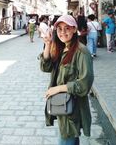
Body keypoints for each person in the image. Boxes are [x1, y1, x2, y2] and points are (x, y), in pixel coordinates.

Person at [39, 14, 94, 145]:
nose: (63, 32)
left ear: (75, 29)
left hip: (72, 108)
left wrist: (57, 89)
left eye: (67, 28)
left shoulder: (81, 51)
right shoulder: (61, 47)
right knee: (71, 139)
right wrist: (47, 44)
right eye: (59, 29)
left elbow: (85, 84)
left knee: (66, 138)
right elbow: (45, 67)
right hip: (62, 105)